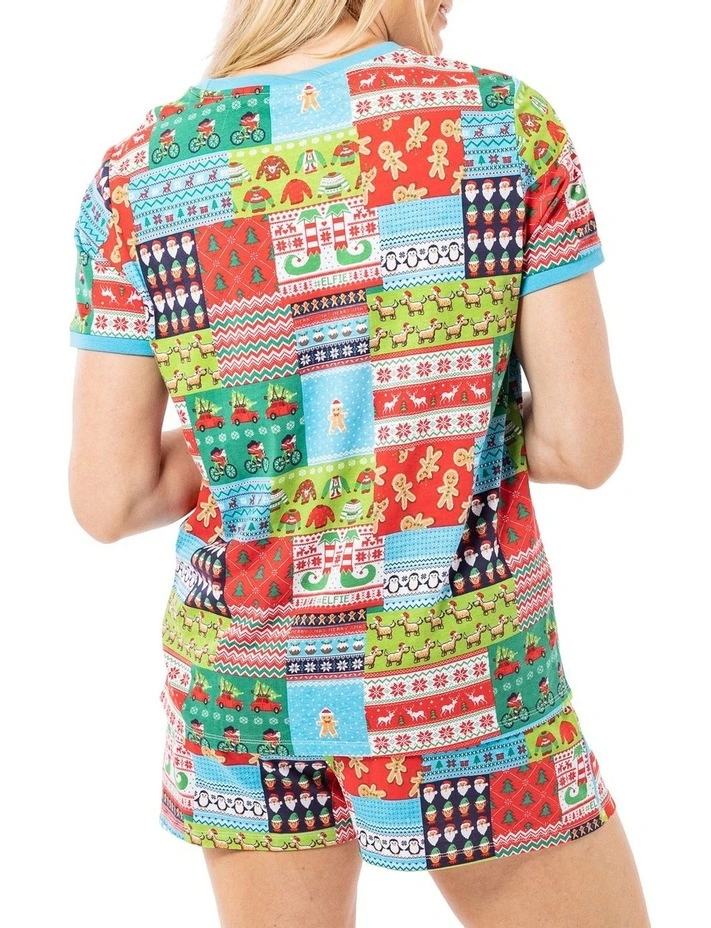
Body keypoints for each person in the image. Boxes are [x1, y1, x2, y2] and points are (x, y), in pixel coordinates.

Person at [67, 1, 652, 926]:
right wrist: (440, 419)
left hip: (247, 682)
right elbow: (583, 447)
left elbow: (113, 495)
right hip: (454, 670)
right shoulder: (504, 127)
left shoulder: (139, 172)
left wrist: (268, 454)